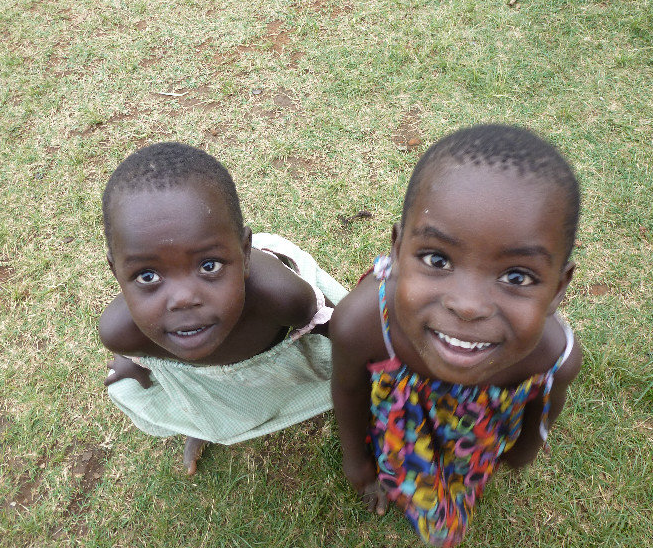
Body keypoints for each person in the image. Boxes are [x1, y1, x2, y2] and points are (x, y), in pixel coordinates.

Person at [330, 124, 582, 546]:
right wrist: (358, 464)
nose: (468, 305)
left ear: (558, 288)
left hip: (476, 437)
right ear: (396, 251)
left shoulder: (553, 357)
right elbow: (347, 390)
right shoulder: (363, 323)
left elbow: (545, 408)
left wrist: (525, 451)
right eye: (437, 258)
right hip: (399, 429)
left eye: (517, 276)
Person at [99, 142, 346, 475]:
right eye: (147, 275)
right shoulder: (121, 333)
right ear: (117, 273)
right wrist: (135, 362)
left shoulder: (282, 296)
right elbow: (134, 357)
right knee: (196, 407)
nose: (183, 298)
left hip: (284, 350)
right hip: (208, 384)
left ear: (244, 254)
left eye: (209, 265)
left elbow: (342, 331)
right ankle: (203, 424)